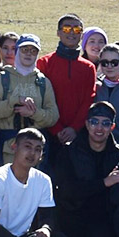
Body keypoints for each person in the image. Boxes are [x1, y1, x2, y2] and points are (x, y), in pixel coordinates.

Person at [59, 102, 119, 237]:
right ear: (87, 124)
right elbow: (66, 190)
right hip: (72, 210)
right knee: (63, 232)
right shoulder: (69, 151)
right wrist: (104, 183)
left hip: (101, 214)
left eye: (105, 123)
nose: (99, 128)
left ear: (112, 127)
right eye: (94, 122)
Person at [0, 34, 60, 165]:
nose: (28, 54)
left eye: (33, 51)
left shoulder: (43, 82)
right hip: (8, 148)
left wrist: (33, 113)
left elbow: (53, 116)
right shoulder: (1, 79)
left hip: (36, 150)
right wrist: (13, 102)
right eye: (25, 50)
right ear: (17, 51)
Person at [35, 14, 97, 160]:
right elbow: (40, 98)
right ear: (58, 33)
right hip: (47, 131)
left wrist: (74, 129)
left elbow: (89, 99)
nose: (71, 32)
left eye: (76, 29)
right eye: (66, 28)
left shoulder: (88, 67)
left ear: (81, 35)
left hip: (78, 133)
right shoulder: (44, 63)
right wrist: (56, 129)